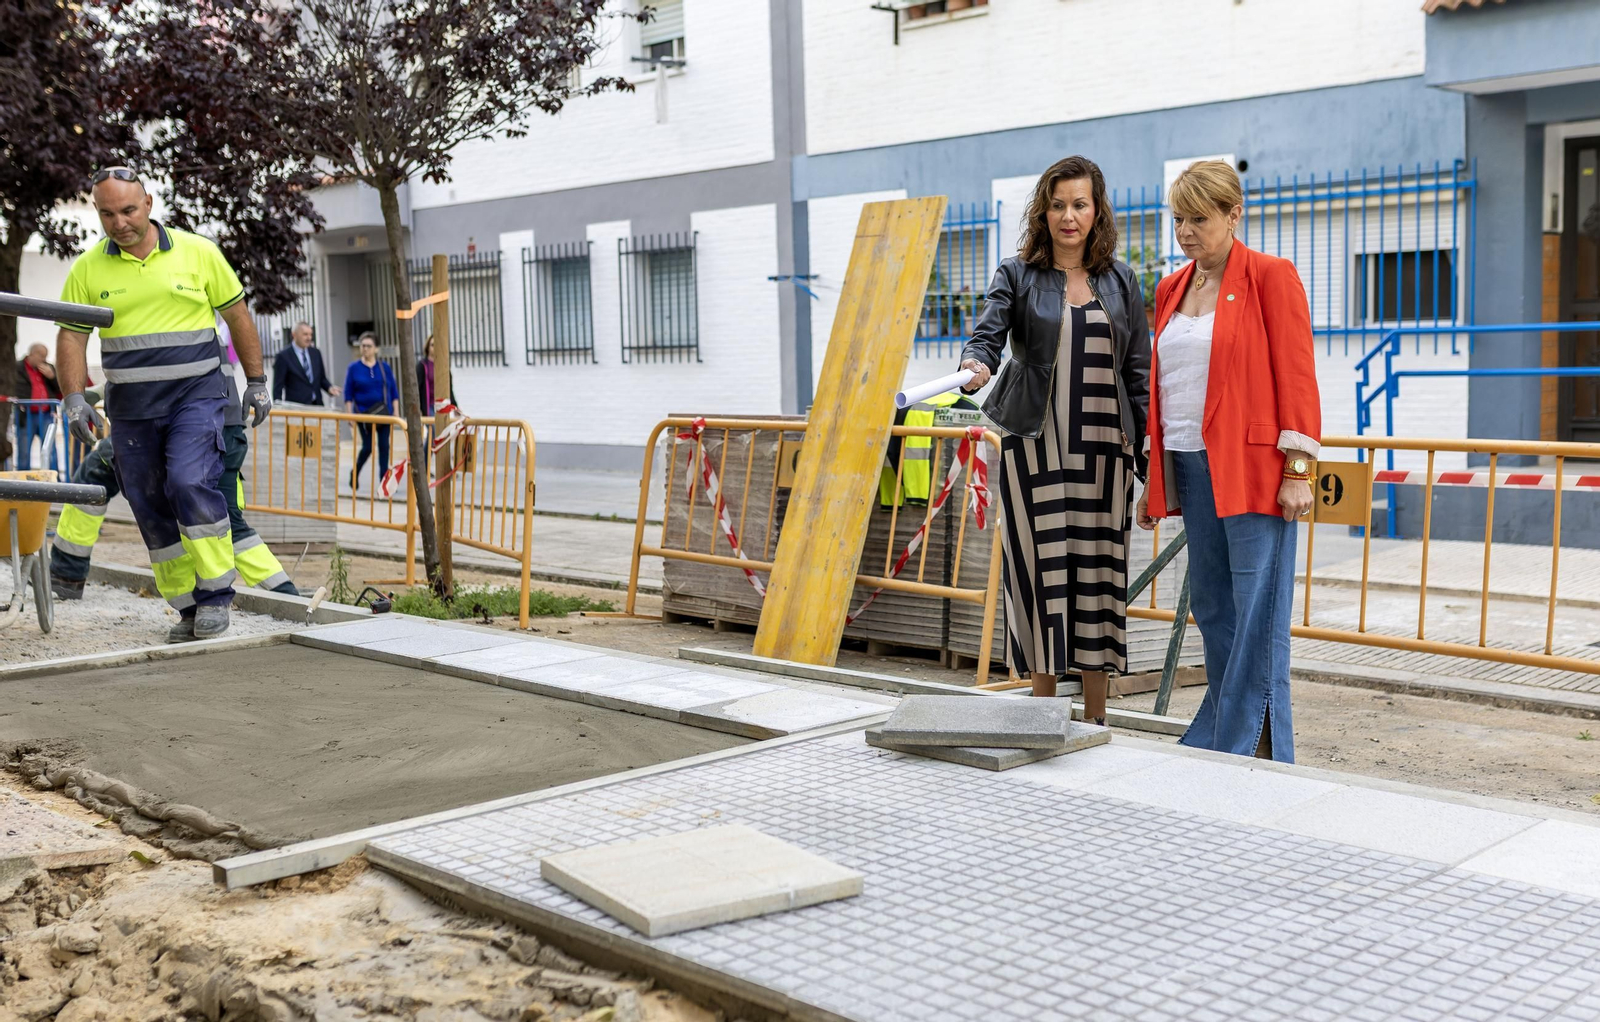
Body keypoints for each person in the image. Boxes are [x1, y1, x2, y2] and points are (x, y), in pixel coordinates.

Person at [1135, 159, 1319, 763]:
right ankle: (1241, 740)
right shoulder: (1170, 289)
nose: (1186, 232)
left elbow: (1296, 375)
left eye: (1200, 219)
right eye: (1179, 220)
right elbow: (1167, 386)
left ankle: (1241, 743)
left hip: (1254, 468)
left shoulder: (1270, 276)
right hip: (1190, 461)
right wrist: (1153, 474)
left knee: (1257, 607)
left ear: (1234, 214)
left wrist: (1299, 469)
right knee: (1213, 606)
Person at [958, 155, 1151, 722]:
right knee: (1039, 574)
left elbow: (1138, 374)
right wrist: (976, 361)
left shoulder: (1120, 281)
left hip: (1103, 456)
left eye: (1080, 204)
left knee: (1097, 575)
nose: (1070, 216)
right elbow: (988, 332)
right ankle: (1042, 720)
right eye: (1059, 204)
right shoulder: (1017, 274)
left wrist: (1146, 462)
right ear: (1043, 210)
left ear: (1097, 211)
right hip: (1035, 448)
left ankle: (1095, 719)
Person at [54, 166, 273, 643]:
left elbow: (238, 316)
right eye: (107, 213)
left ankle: (216, 594)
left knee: (190, 481)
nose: (119, 223)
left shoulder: (198, 253)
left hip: (196, 398)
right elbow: (71, 336)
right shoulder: (89, 268)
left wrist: (256, 381)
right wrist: (73, 397)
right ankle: (187, 605)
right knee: (148, 503)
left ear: (149, 204)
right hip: (131, 409)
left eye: (128, 210)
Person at [50, 387, 300, 604]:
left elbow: (151, 362)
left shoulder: (169, 336)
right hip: (219, 420)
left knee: (215, 520)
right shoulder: (206, 334)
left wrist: (89, 394)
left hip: (173, 421)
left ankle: (66, 573)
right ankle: (287, 598)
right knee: (224, 520)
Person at [344, 331, 399, 490]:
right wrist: (350, 415)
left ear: (376, 349)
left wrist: (395, 412)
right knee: (367, 447)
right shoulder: (354, 368)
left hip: (384, 415)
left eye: (369, 346)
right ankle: (355, 472)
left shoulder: (384, 367)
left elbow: (393, 391)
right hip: (364, 415)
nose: (365, 349)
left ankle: (384, 483)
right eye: (363, 346)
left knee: (384, 447)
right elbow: (348, 393)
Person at [12, 344, 62, 470]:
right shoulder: (18, 368)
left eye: (45, 357)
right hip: (26, 415)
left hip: (45, 414)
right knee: (24, 451)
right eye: (41, 356)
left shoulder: (49, 368)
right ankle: (23, 483)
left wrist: (52, 377)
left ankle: (54, 480)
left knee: (50, 449)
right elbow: (16, 389)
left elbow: (59, 389)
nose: (43, 360)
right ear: (32, 354)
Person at [273, 321, 341, 406]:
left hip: (317, 405)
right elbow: (277, 387)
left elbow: (321, 378)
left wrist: (329, 388)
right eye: (305, 334)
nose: (309, 338)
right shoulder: (283, 356)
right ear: (294, 335)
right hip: (296, 408)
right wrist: (279, 409)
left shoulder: (316, 353)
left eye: (310, 334)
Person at [416, 333, 456, 415]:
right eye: (432, 345)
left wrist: (455, 406)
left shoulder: (444, 366)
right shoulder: (422, 366)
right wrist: (418, 408)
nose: (435, 348)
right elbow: (417, 388)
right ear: (428, 347)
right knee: (435, 427)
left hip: (442, 405)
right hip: (428, 405)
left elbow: (449, 387)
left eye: (437, 345)